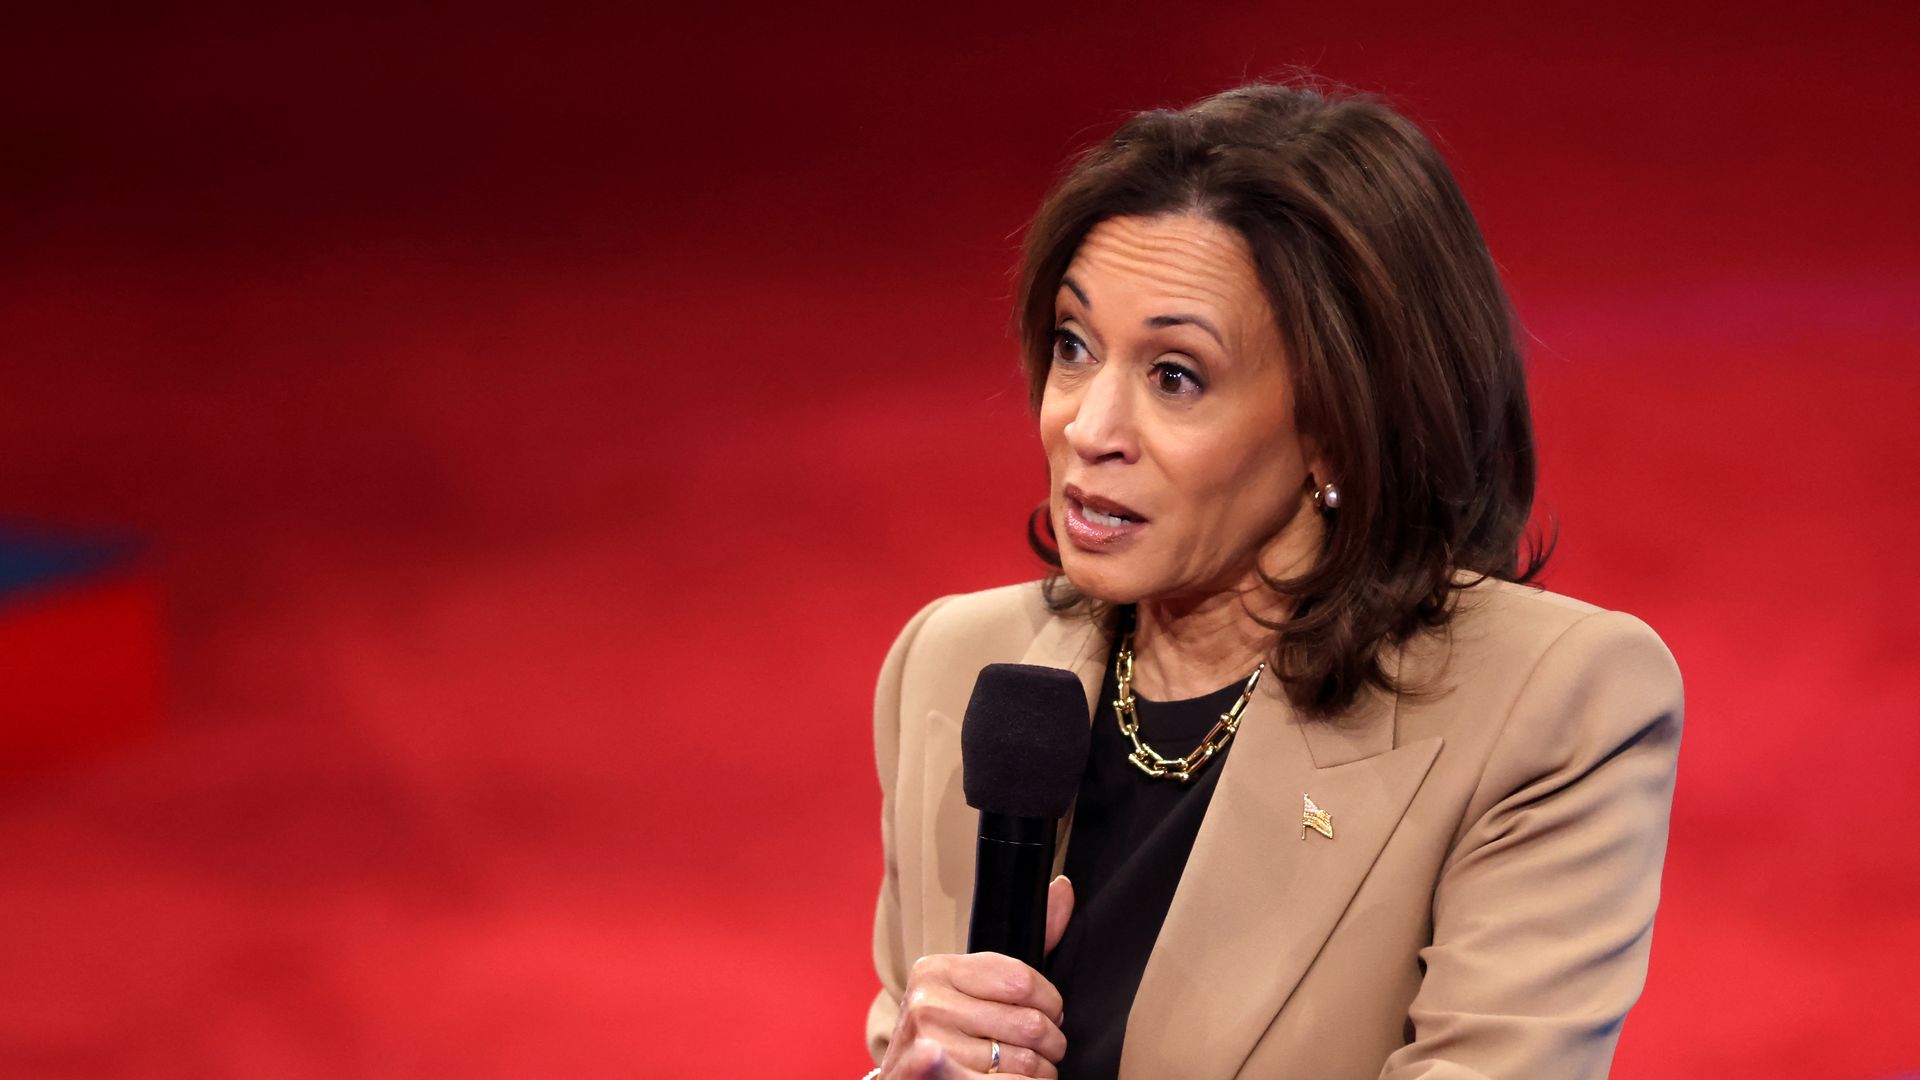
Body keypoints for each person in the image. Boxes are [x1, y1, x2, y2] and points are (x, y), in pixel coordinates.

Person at [861, 81, 1682, 1080]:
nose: (1087, 426)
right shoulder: (957, 669)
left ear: (1338, 429)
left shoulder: (1547, 706)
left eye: (1175, 375)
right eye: (1075, 348)